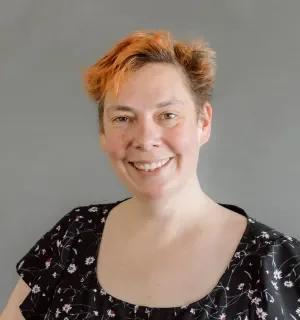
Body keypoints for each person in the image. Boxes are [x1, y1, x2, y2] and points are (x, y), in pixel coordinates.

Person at [1, 30, 300, 320]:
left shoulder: (279, 264)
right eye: (123, 118)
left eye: (167, 115)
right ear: (103, 133)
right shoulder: (72, 238)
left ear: (203, 123)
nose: (145, 139)